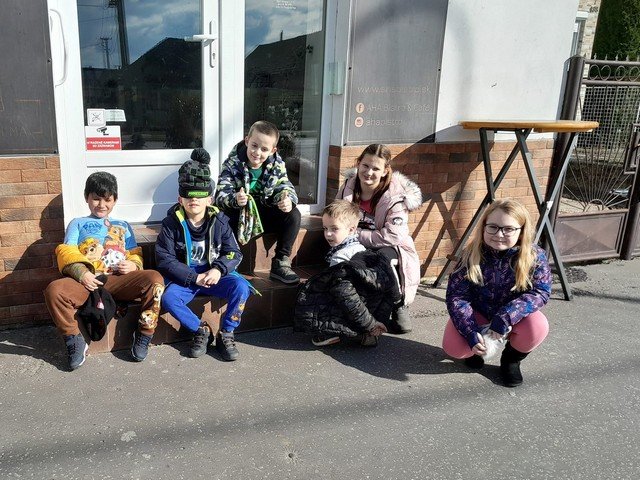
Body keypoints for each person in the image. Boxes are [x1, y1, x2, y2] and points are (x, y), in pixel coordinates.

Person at [44, 172, 164, 370]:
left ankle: (144, 333)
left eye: (107, 199)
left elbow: (134, 253)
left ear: (115, 200)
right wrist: (81, 273)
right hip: (88, 283)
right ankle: (74, 339)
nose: (102, 205)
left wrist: (133, 265)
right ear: (86, 198)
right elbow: (66, 252)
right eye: (96, 199)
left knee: (155, 279)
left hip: (118, 280)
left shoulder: (123, 225)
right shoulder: (77, 223)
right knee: (54, 290)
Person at [155, 148, 253, 361]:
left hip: (213, 274)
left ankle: (227, 332)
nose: (194, 200)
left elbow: (234, 252)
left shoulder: (220, 222)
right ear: (180, 199)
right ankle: (200, 330)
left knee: (241, 287)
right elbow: (164, 259)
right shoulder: (171, 224)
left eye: (199, 196)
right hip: (187, 277)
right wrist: (193, 277)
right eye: (188, 195)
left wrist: (218, 269)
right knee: (169, 298)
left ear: (209, 199)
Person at [442, 198, 551, 387]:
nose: (499, 234)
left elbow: (541, 292)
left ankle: (511, 359)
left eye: (508, 229)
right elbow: (457, 296)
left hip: (515, 317)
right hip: (479, 312)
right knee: (454, 348)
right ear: (484, 227)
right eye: (493, 227)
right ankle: (476, 351)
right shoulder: (470, 254)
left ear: (521, 231)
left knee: (538, 326)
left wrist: (507, 316)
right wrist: (469, 331)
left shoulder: (535, 256)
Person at [336, 143, 422, 334]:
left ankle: (398, 303)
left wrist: (356, 234)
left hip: (391, 245)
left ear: (385, 171)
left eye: (376, 168)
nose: (369, 172)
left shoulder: (395, 196)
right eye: (365, 166)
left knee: (382, 260)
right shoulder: (348, 187)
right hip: (356, 242)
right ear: (358, 163)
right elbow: (337, 216)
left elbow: (393, 235)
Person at [294, 200, 394, 347]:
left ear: (352, 229)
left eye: (334, 229)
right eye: (325, 228)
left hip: (350, 308)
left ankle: (329, 333)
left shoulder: (340, 257)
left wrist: (369, 324)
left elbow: (343, 294)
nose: (328, 234)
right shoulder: (361, 249)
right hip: (368, 306)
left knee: (313, 291)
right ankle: (363, 332)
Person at [215, 120, 301, 284]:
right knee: (222, 217)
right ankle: (228, 261)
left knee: (293, 214)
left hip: (264, 213)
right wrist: (234, 199)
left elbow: (284, 186)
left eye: (264, 149)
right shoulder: (232, 164)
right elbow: (220, 194)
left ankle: (281, 262)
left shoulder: (277, 165)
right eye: (254, 146)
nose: (257, 152)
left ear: (273, 150)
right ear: (247, 141)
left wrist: (286, 199)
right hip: (240, 215)